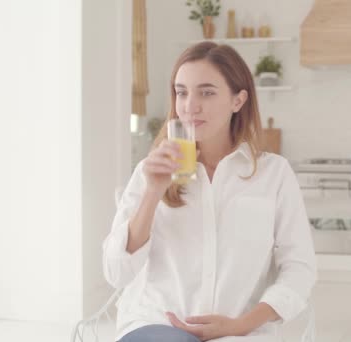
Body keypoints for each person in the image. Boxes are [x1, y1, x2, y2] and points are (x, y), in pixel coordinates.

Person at [102, 42, 317, 342]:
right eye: (181, 92)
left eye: (207, 92)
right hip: (158, 325)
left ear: (238, 100)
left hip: (241, 333)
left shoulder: (274, 175)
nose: (190, 105)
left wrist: (241, 324)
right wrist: (153, 193)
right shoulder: (150, 172)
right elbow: (117, 274)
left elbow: (300, 269)